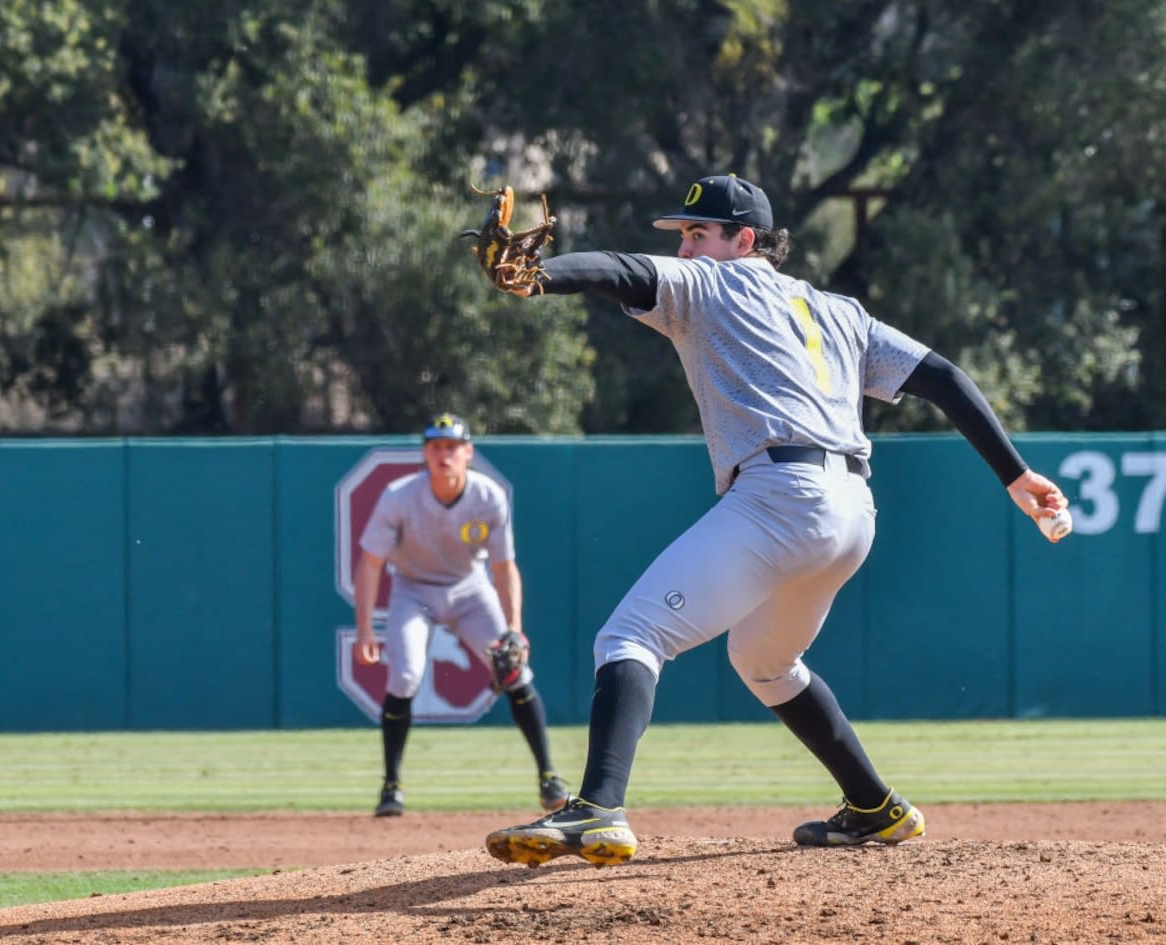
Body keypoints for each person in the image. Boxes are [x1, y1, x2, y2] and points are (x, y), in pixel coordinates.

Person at [482, 174, 1070, 868]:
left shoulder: (713, 284)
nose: (689, 246)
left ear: (746, 240)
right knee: (762, 660)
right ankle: (875, 806)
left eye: (701, 233)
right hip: (851, 512)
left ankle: (599, 807)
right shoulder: (840, 310)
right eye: (686, 235)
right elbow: (941, 375)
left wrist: (539, 275)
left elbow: (622, 270)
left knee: (630, 635)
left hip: (781, 494)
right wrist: (1015, 473)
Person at [354, 411, 569, 817]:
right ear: (425, 454)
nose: (444, 455)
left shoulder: (488, 496)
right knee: (404, 676)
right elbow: (370, 564)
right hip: (413, 590)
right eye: (436, 447)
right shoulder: (399, 496)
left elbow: (505, 567)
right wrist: (366, 628)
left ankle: (548, 778)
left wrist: (515, 631)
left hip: (469, 589)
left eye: (452, 447)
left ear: (468, 452)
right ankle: (391, 785)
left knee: (514, 670)